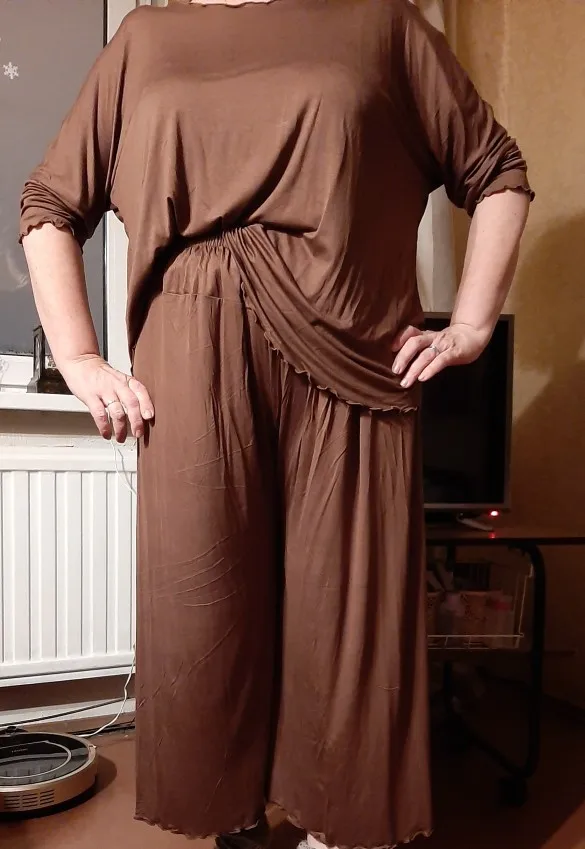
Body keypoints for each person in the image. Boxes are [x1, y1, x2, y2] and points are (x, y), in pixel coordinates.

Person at [19, 0, 532, 846]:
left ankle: (339, 819)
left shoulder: (381, 25)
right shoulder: (147, 37)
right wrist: (78, 357)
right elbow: (50, 203)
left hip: (353, 351)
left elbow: (497, 172)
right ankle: (234, 810)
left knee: (346, 606)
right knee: (204, 599)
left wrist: (471, 326)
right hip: (191, 355)